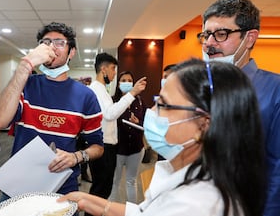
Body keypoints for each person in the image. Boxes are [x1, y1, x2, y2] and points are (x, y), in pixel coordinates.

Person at [59, 58, 267, 216]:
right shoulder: (187, 170)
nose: (152, 111)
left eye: (164, 105)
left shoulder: (195, 205)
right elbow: (145, 212)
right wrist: (92, 202)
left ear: (203, 125)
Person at [0, 22, 104, 197]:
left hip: (61, 188)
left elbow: (97, 147)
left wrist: (76, 157)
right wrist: (24, 67)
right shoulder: (26, 85)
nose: (51, 47)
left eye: (59, 42)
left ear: (72, 52)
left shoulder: (86, 96)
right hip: (19, 185)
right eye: (45, 42)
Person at [198, 0, 280, 216]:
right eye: (206, 34)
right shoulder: (197, 89)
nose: (209, 43)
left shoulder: (275, 91)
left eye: (221, 34)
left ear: (249, 38)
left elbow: (277, 171)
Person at [87, 53, 146, 211]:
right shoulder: (96, 89)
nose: (114, 74)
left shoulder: (103, 90)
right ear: (103, 69)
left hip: (109, 146)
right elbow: (110, 114)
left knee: (103, 188)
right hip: (103, 146)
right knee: (100, 190)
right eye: (113, 69)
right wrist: (132, 93)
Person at [109, 71, 147, 203]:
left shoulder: (140, 101)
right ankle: (110, 211)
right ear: (118, 83)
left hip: (136, 149)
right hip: (118, 149)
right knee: (115, 181)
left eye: (129, 80)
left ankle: (131, 211)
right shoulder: (113, 101)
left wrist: (138, 122)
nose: (126, 83)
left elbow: (146, 122)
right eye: (123, 80)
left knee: (131, 181)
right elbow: (109, 121)